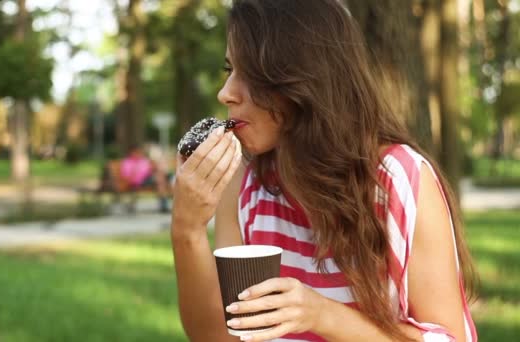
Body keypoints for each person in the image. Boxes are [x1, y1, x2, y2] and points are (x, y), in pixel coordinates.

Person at [170, 1, 477, 342]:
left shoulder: (398, 180)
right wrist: (187, 230)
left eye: (251, 74)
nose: (225, 93)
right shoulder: (245, 185)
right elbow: (218, 338)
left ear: (304, 79)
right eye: (230, 71)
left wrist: (322, 314)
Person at [119, 144, 170, 213]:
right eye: (136, 152)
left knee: (159, 178)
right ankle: (164, 205)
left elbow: (150, 169)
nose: (138, 154)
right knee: (160, 180)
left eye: (139, 152)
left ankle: (163, 205)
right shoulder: (127, 162)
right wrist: (135, 172)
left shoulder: (143, 160)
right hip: (136, 182)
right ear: (131, 153)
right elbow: (127, 176)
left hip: (146, 179)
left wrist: (154, 167)